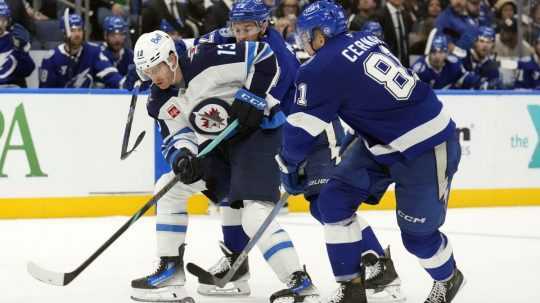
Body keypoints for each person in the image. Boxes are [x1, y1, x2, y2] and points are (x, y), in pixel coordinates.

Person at [195, 1, 404, 302]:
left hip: (316, 133)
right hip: (287, 136)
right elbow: (210, 43)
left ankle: (378, 267)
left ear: (264, 26)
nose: (240, 35)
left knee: (326, 206)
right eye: (236, 29)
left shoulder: (277, 54)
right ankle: (236, 266)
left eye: (248, 29)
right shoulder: (242, 41)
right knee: (234, 193)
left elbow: (270, 103)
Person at [277, 2, 465, 303]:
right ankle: (351, 288)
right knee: (332, 204)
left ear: (321, 36)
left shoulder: (320, 67)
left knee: (417, 239)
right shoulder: (366, 38)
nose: (304, 43)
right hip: (380, 142)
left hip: (426, 147)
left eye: (306, 36)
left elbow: (299, 133)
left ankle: (449, 277)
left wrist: (288, 166)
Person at [130, 29, 319, 303]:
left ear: (171, 58)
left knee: (253, 215)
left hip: (258, 134)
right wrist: (182, 156)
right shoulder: (159, 99)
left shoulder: (207, 59)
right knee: (167, 189)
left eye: (157, 67)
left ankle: (300, 283)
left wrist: (252, 97)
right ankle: (173, 270)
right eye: (147, 72)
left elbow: (263, 56)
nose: (154, 77)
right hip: (219, 149)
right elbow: (176, 135)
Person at [39, 12, 126, 88]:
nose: (77, 34)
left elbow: (109, 73)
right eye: (73, 30)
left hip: (86, 103)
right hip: (58, 104)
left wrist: (124, 83)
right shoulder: (51, 58)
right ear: (64, 32)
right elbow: (45, 91)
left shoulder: (93, 52)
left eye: (79, 30)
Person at [412, 33, 481, 89]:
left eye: (441, 52)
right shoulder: (419, 70)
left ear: (447, 53)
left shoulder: (454, 64)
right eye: (433, 52)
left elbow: (467, 78)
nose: (437, 56)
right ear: (429, 53)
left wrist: (481, 83)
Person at [0, 0, 34, 87]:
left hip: (12, 91)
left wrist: (21, 50)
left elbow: (27, 71)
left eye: (3, 19)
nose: (0, 24)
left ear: (8, 21)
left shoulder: (15, 39)